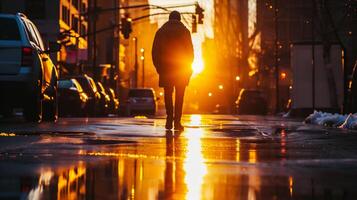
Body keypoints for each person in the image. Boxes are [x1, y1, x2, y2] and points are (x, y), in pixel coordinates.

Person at [152, 11, 194, 131]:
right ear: (179, 19)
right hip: (181, 69)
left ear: (169, 19)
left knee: (168, 94)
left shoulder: (161, 32)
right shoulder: (185, 31)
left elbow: (155, 52)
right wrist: (188, 67)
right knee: (180, 95)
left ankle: (169, 119)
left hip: (166, 69)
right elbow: (190, 52)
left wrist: (159, 68)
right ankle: (177, 121)